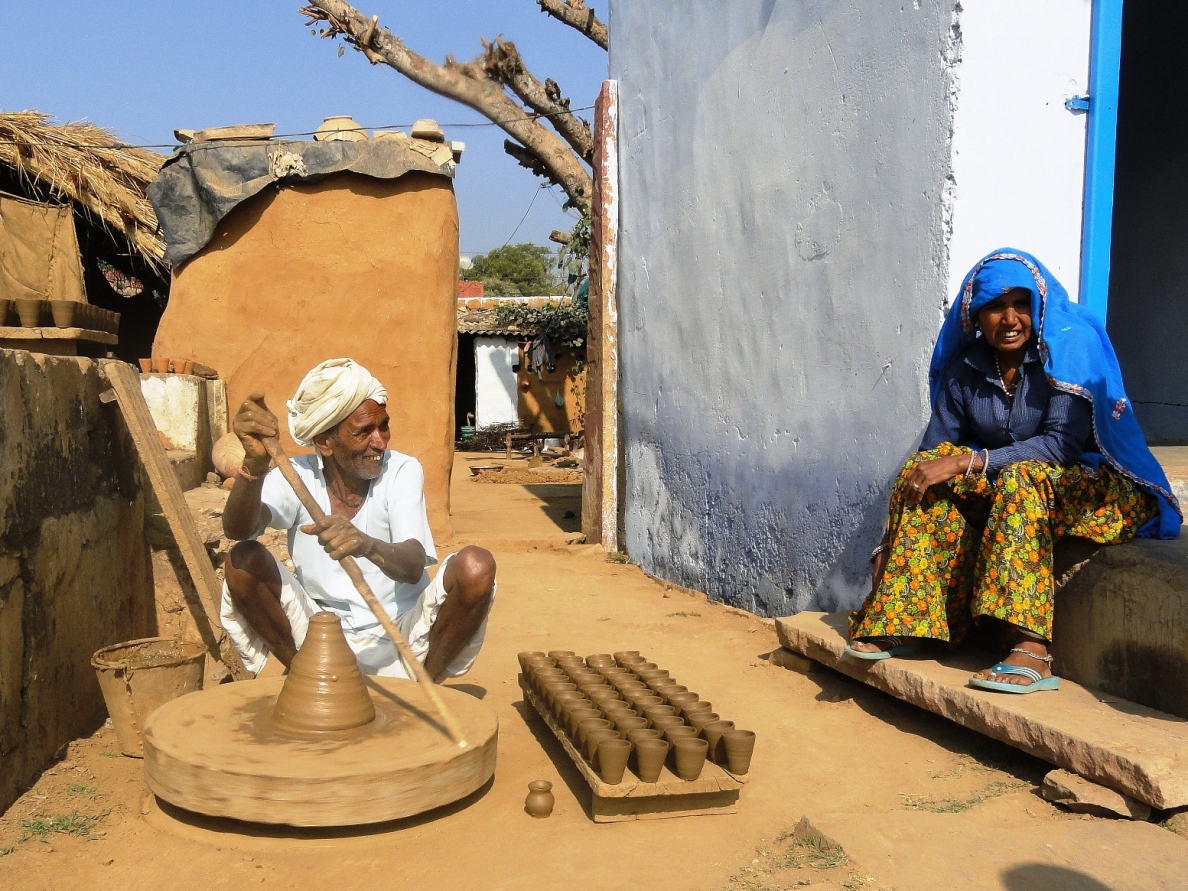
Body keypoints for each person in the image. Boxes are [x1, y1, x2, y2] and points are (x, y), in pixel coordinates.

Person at [846, 249, 1181, 693]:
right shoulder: (966, 369)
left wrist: (970, 461)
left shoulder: (1065, 349)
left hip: (1093, 487)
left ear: (1037, 307)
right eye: (995, 306)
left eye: (1021, 304)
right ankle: (906, 616)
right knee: (923, 470)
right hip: (1012, 484)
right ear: (975, 316)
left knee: (1020, 480)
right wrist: (888, 543)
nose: (1009, 318)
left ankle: (1032, 648)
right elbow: (934, 454)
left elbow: (1059, 446)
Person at [220, 358, 497, 681]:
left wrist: (365, 545)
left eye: (383, 426)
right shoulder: (297, 476)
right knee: (243, 561)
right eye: (363, 432)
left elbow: (412, 565)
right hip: (322, 633)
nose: (379, 441)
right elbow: (237, 529)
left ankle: (426, 687)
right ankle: (305, 680)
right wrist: (253, 466)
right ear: (325, 442)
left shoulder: (402, 470)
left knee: (476, 567)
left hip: (403, 630)